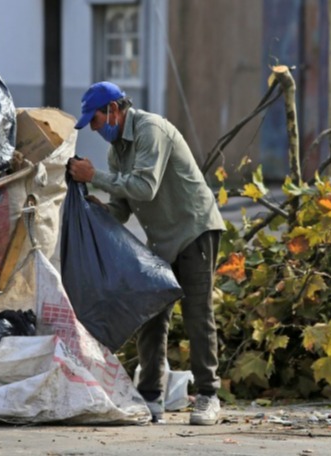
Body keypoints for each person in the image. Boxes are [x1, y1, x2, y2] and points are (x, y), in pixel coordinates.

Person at [68, 81, 225, 425]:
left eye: (94, 121)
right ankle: (151, 397)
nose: (95, 129)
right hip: (161, 240)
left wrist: (95, 176)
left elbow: (145, 187)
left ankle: (208, 396)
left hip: (194, 229)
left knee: (198, 314)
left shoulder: (150, 130)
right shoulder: (116, 152)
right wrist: (95, 208)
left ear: (113, 110)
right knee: (151, 313)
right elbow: (122, 209)